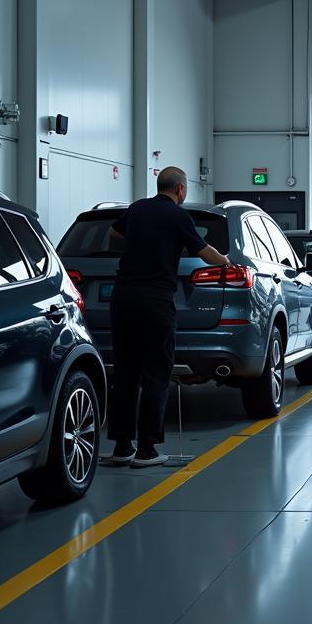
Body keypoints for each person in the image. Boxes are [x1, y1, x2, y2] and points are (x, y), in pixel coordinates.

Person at [107, 167, 231, 467]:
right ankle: (147, 450)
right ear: (180, 189)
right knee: (156, 374)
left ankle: (122, 447)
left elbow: (112, 234)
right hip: (155, 301)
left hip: (122, 298)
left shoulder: (137, 208)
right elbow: (203, 251)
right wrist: (225, 261)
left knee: (125, 375)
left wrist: (137, 248)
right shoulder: (178, 215)